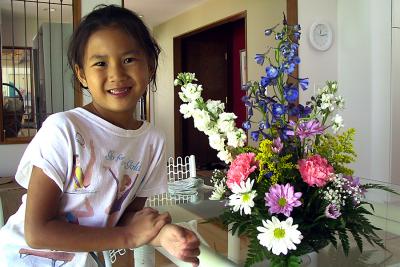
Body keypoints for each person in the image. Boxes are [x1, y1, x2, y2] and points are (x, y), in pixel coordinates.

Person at [0, 5, 200, 267]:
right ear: (82, 74)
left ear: (150, 65)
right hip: (20, 259)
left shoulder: (152, 141)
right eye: (100, 63)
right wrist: (128, 237)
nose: (116, 74)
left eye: (129, 59)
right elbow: (37, 232)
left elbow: (127, 216)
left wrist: (160, 234)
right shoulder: (64, 130)